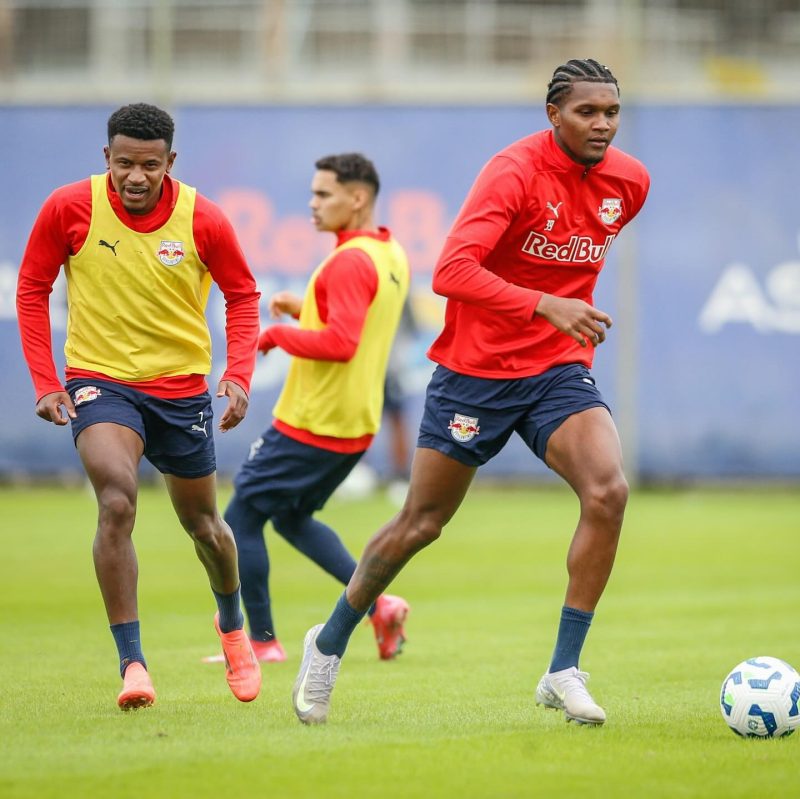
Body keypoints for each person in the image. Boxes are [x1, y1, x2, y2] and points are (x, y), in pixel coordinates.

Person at [292, 59, 650, 726]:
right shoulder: (512, 172)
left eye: (611, 112)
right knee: (420, 523)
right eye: (586, 112)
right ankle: (331, 639)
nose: (601, 123)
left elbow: (571, 253)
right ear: (554, 116)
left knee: (609, 490)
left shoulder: (629, 183)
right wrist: (545, 302)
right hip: (476, 372)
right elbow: (453, 269)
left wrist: (555, 317)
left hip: (555, 368)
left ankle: (563, 669)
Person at [16, 103, 263, 710]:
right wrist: (46, 381)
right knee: (117, 498)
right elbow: (31, 288)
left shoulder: (202, 217)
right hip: (102, 382)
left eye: (149, 165)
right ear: (107, 158)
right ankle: (133, 665)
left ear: (169, 163)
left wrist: (238, 375)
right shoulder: (68, 208)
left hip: (180, 390)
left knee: (205, 528)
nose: (135, 175)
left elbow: (243, 295)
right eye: (124, 162)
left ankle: (233, 626)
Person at [203, 153, 412, 667]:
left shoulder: (348, 260)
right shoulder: (387, 253)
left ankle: (262, 642)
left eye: (323, 194)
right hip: (354, 423)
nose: (312, 204)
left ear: (357, 197)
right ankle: (381, 606)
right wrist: (306, 307)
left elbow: (342, 341)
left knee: (240, 519)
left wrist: (277, 334)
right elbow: (358, 316)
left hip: (314, 421)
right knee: (293, 519)